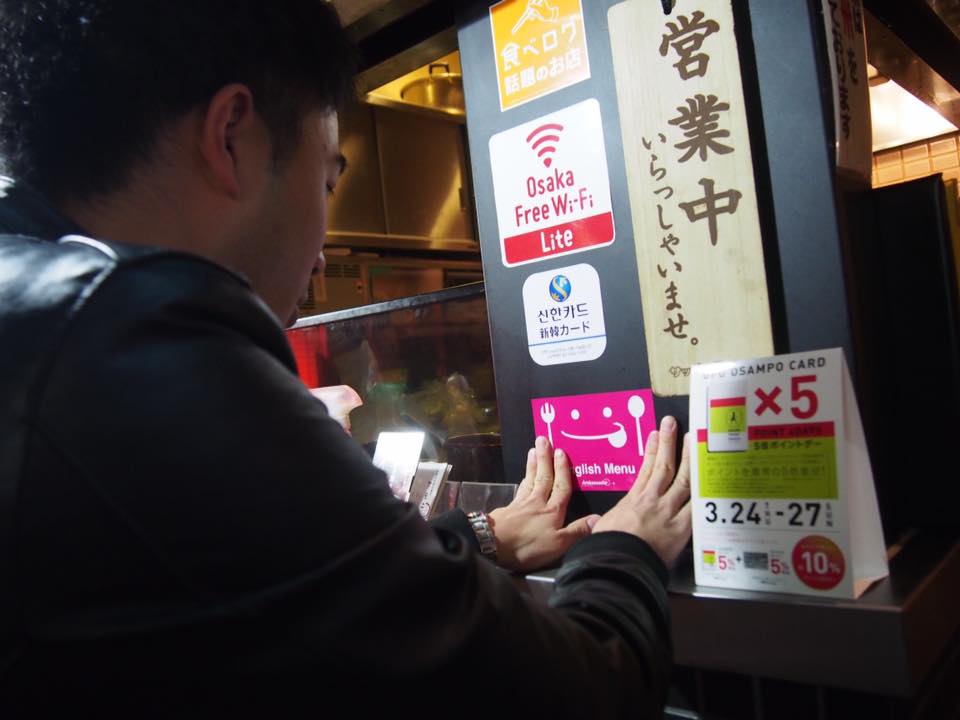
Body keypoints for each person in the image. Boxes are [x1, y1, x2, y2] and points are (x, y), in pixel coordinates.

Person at [0, 1, 692, 715]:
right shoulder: (148, 346)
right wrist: (624, 549)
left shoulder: (42, 306)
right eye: (327, 181)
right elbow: (580, 694)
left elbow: (260, 581)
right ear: (232, 136)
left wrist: (477, 540)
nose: (322, 253)